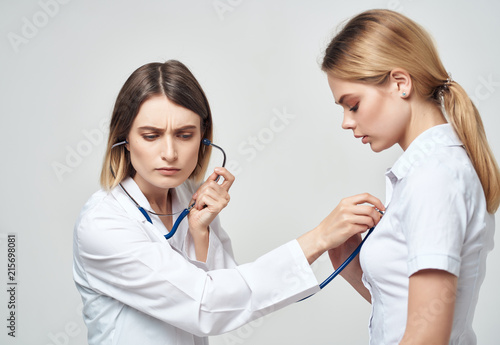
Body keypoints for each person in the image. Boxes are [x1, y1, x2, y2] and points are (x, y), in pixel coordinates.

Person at [73, 60, 384, 345]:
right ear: (125, 140)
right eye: (151, 136)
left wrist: (199, 233)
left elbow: (230, 291)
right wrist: (319, 238)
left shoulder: (191, 201)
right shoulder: (103, 224)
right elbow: (208, 306)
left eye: (184, 134)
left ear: (203, 137)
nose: (169, 152)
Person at [322, 9, 500, 345]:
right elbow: (406, 312)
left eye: (353, 105)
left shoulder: (435, 177)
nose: (346, 122)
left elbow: (427, 336)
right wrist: (351, 267)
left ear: (401, 83)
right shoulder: (427, 171)